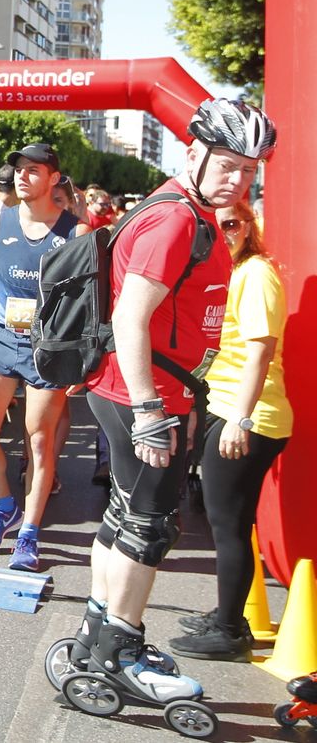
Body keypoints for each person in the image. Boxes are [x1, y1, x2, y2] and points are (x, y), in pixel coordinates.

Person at [71, 99, 275, 705]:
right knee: (151, 526)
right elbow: (130, 318)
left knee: (125, 517)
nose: (240, 180)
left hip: (146, 387)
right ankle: (121, 650)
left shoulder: (190, 211)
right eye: (229, 165)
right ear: (194, 154)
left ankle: (98, 634)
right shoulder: (175, 220)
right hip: (145, 391)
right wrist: (150, 413)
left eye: (251, 169)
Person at [170, 199, 293, 660]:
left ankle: (229, 630)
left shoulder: (256, 273)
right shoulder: (226, 274)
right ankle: (231, 615)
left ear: (249, 226)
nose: (224, 231)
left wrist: (238, 418)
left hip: (250, 416)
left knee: (229, 525)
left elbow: (261, 351)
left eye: (233, 223)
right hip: (228, 410)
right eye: (214, 225)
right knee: (229, 522)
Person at [0, 144, 85, 571]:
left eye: (34, 170)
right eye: (19, 170)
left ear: (54, 179)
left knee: (39, 443)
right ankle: (3, 506)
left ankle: (28, 534)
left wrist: (83, 359)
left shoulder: (75, 233)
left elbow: (87, 303)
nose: (23, 176)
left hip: (49, 349)